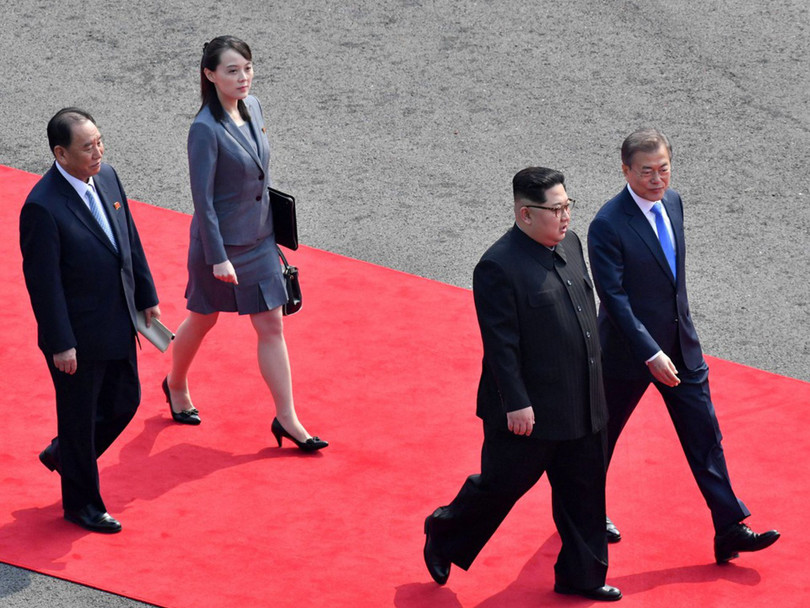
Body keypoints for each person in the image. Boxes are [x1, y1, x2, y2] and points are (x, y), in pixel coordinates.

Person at [423, 167, 621, 602]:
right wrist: (517, 402)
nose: (566, 216)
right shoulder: (498, 266)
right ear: (525, 214)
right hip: (527, 414)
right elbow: (500, 345)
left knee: (584, 491)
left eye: (568, 205)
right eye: (556, 209)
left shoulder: (570, 244)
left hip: (583, 400)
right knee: (500, 487)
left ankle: (581, 576)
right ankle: (444, 531)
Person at [587, 128, 780, 563]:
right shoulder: (607, 223)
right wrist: (650, 352)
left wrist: (677, 342)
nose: (658, 180)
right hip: (626, 355)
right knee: (600, 439)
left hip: (682, 347)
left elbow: (673, 283)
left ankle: (729, 526)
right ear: (626, 170)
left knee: (705, 436)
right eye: (647, 172)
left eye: (664, 169)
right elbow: (613, 299)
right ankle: (584, 512)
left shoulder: (673, 203)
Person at [163, 36, 326, 451]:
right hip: (220, 246)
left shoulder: (253, 107)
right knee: (204, 318)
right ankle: (176, 383)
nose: (243, 78)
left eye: (248, 68)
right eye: (232, 71)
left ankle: (287, 418)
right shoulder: (203, 129)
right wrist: (217, 257)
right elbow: (202, 201)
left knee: (271, 324)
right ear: (210, 75)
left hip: (259, 238)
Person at [20, 107, 161, 533]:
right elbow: (43, 284)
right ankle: (81, 503)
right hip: (77, 337)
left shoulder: (109, 176)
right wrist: (60, 342)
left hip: (117, 318)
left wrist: (146, 295)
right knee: (79, 419)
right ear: (60, 154)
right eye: (88, 147)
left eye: (100, 141)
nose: (98, 152)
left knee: (126, 401)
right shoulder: (42, 207)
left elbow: (127, 238)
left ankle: (66, 455)